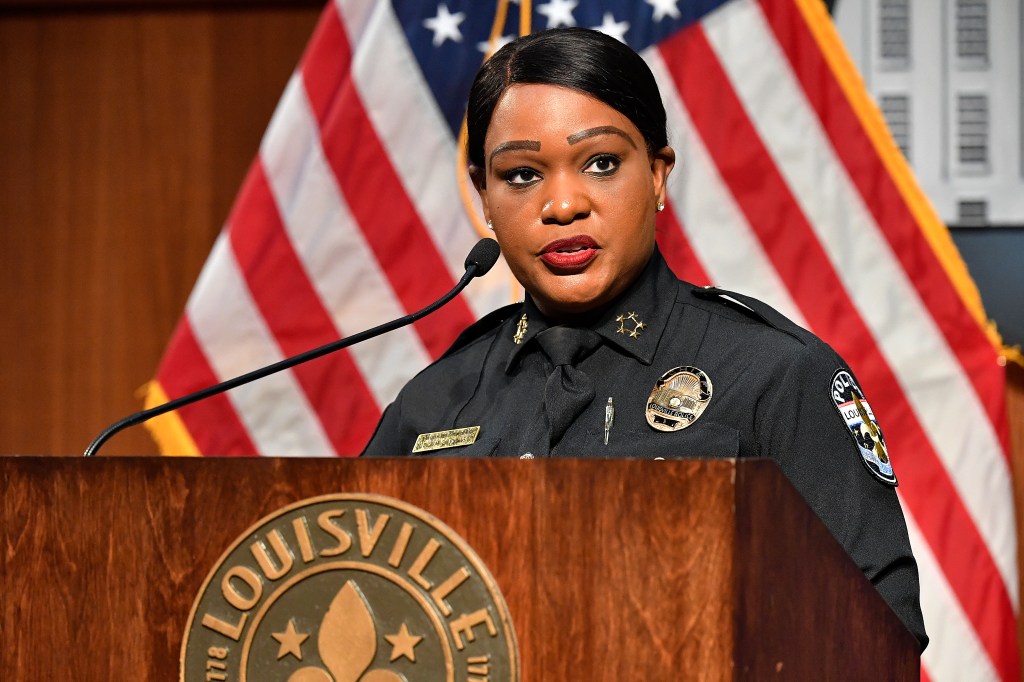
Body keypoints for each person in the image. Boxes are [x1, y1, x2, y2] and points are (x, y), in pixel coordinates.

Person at [363, 27, 927, 650]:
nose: (562, 204)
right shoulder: (435, 400)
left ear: (658, 176)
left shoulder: (770, 374)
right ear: (485, 198)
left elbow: (880, 636)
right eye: (522, 175)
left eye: (601, 164)